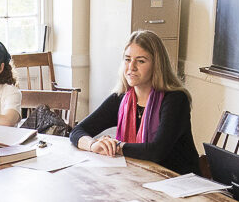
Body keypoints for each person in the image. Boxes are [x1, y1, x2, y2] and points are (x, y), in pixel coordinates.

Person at [68, 31, 197, 176]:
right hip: (142, 178)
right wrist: (94, 145)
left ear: (157, 65)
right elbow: (76, 131)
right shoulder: (121, 98)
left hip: (179, 183)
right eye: (127, 59)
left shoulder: (176, 100)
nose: (131, 67)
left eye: (141, 61)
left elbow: (156, 152)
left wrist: (116, 147)